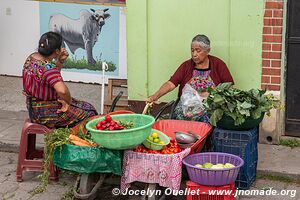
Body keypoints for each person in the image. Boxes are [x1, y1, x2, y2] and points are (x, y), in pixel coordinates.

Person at [147, 34, 234, 122]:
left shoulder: (218, 64)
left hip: (209, 108)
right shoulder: (186, 66)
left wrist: (211, 95)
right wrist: (155, 96)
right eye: (192, 51)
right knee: (179, 117)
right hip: (186, 106)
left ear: (207, 51)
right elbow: (171, 84)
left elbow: (229, 87)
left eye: (198, 50)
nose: (194, 54)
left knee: (208, 119)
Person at [22, 31, 98, 128]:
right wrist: (67, 103)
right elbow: (62, 90)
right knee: (89, 113)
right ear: (57, 51)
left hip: (33, 109)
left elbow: (50, 77)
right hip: (47, 114)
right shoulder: (48, 68)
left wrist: (60, 61)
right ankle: (73, 141)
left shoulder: (32, 57)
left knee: (86, 106)